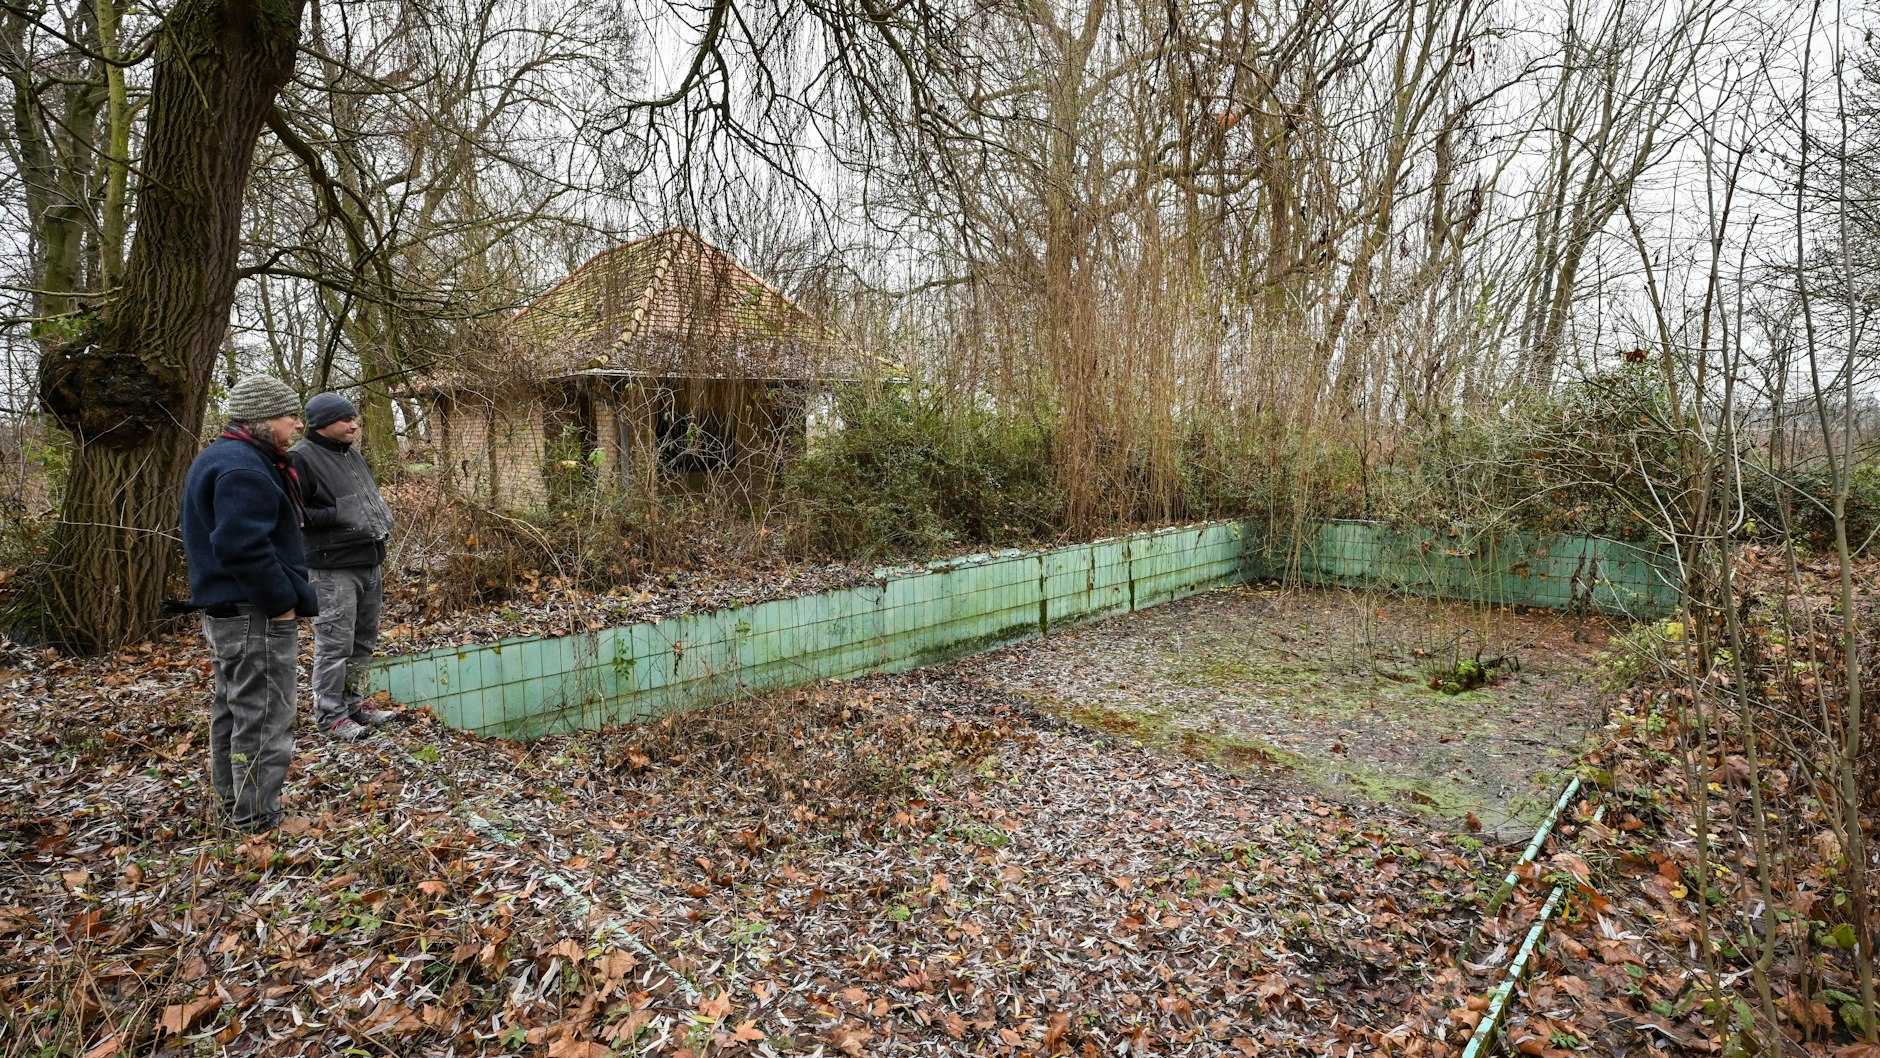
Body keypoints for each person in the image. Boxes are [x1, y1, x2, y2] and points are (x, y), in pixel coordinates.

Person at [180, 376, 319, 834]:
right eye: (289, 416)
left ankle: (233, 803)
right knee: (264, 715)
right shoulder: (245, 468)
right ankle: (258, 821)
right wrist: (280, 603)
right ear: (261, 419)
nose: (297, 424)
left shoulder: (222, 457)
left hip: (230, 612)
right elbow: (240, 546)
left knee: (235, 709)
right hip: (252, 613)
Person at [289, 392, 398, 742]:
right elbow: (294, 515)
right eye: (345, 419)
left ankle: (353, 705)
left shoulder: (350, 454)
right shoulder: (301, 458)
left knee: (363, 641)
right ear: (321, 424)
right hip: (332, 568)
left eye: (354, 417)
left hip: (368, 561)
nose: (354, 424)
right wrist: (341, 514)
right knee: (335, 644)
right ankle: (331, 716)